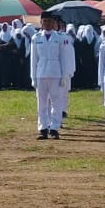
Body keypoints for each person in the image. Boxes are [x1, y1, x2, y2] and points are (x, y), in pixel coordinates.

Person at [30, 11, 75, 140]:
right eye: (45, 21)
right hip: (41, 73)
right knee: (42, 103)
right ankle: (43, 128)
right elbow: (33, 60)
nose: (47, 24)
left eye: (49, 21)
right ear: (41, 23)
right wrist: (33, 77)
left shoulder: (59, 38)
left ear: (54, 23)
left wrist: (64, 76)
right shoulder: (36, 38)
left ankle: (54, 127)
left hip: (56, 72)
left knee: (57, 102)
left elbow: (63, 59)